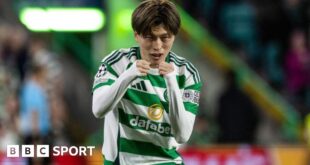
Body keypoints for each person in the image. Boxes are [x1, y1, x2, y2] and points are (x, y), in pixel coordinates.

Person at [92, 0, 202, 164]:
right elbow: (98, 109)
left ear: (174, 36)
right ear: (137, 35)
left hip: (166, 161)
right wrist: (128, 75)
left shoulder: (186, 73)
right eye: (150, 37)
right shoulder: (116, 63)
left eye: (165, 38)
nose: (158, 46)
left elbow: (182, 135)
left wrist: (171, 83)